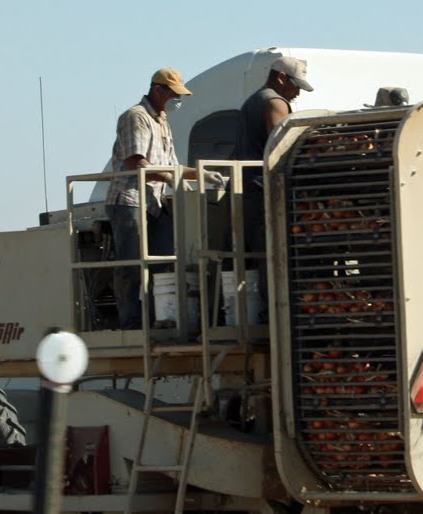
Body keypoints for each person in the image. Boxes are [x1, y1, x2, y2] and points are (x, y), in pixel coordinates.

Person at [107, 67, 213, 330]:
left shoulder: (161, 121)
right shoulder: (137, 117)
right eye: (173, 94)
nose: (177, 101)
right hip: (129, 200)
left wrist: (203, 175)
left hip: (152, 201)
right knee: (132, 263)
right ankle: (131, 321)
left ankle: (160, 316)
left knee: (163, 260)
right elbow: (136, 162)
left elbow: (172, 166)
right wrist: (168, 179)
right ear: (158, 90)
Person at [232, 56, 314, 324]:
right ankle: (278, 313)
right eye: (295, 85)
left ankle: (271, 311)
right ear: (280, 78)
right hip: (264, 190)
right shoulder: (274, 103)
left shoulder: (250, 102)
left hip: (248, 188)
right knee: (275, 252)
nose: (298, 92)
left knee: (262, 252)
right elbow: (282, 148)